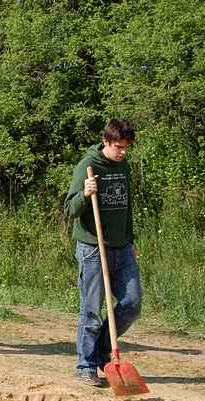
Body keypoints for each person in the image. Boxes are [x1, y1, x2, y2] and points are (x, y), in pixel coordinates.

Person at [64, 118, 142, 387]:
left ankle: (100, 351)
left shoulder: (123, 165)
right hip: (93, 248)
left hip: (122, 247)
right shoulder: (88, 165)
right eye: (119, 147)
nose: (123, 152)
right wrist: (85, 194)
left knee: (132, 303)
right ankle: (85, 366)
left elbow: (127, 206)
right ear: (106, 142)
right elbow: (69, 210)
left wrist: (131, 240)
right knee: (92, 311)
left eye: (127, 147)